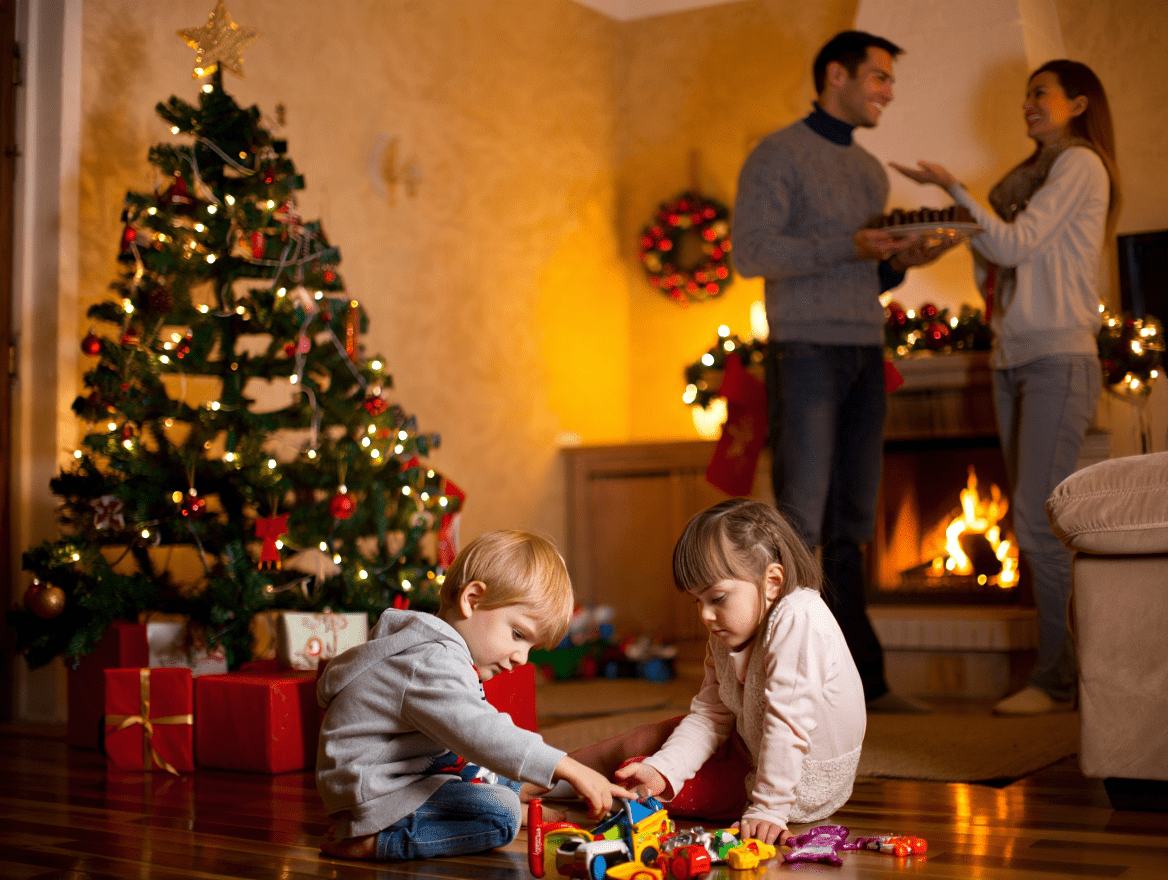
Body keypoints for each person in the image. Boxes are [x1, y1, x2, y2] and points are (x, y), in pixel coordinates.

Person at [732, 30, 954, 712]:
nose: (889, 91)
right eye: (880, 78)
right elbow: (752, 252)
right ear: (837, 74)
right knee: (799, 523)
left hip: (864, 349)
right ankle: (789, 688)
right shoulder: (776, 155)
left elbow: (868, 271)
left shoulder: (868, 170)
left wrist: (903, 258)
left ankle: (866, 683)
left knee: (853, 525)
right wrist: (850, 244)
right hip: (805, 353)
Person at [891, 60, 1121, 716]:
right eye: (1026, 94)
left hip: (1057, 359)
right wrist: (958, 229)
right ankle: (1062, 673)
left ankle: (1061, 678)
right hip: (1011, 360)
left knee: (1038, 523)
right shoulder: (1028, 177)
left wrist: (955, 190)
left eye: (1039, 93)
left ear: (1079, 101)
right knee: (1029, 526)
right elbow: (998, 262)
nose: (1028, 103)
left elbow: (1016, 246)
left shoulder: (1079, 165)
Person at [315, 530, 634, 861]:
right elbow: (481, 733)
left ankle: (539, 790)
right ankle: (379, 841)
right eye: (517, 634)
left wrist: (561, 772)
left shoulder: (441, 652)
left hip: (407, 774)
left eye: (531, 647)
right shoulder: (430, 659)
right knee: (501, 812)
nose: (522, 658)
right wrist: (564, 765)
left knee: (501, 773)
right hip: (377, 794)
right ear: (472, 599)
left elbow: (476, 739)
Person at [613, 498, 866, 847]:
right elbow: (710, 716)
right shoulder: (731, 628)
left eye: (716, 598)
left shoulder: (798, 617)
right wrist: (663, 769)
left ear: (772, 582)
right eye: (697, 601)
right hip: (754, 748)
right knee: (646, 747)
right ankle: (547, 775)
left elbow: (787, 725)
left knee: (631, 773)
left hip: (797, 785)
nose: (705, 615)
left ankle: (558, 781)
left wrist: (768, 808)